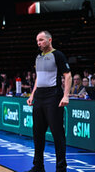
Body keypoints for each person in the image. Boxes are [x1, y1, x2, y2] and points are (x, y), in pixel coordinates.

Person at [27, 31, 72, 172]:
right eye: (37, 41)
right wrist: (32, 94)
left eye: (41, 40)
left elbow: (68, 75)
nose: (39, 43)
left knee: (57, 133)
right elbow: (38, 79)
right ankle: (38, 166)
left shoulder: (58, 55)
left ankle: (61, 168)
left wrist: (66, 96)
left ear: (49, 40)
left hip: (53, 96)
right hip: (39, 97)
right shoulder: (38, 57)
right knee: (37, 133)